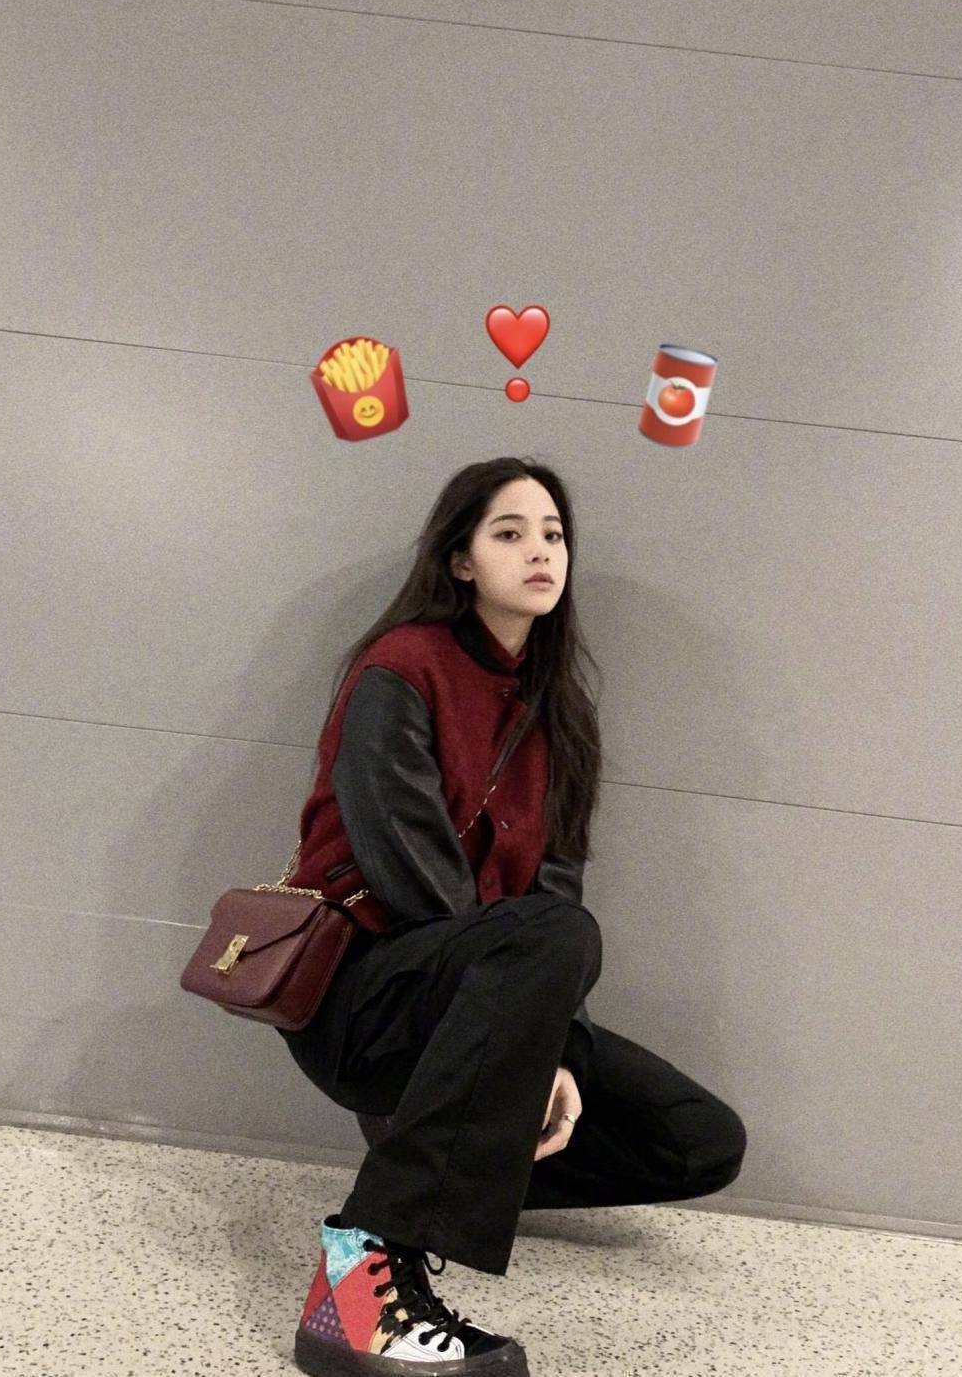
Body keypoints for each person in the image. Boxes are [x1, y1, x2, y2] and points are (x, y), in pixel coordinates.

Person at [276, 456, 747, 1375]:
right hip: (364, 998)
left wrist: (557, 1051)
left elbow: (556, 890)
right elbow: (417, 888)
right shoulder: (400, 670)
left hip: (489, 999)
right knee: (551, 937)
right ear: (461, 560)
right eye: (510, 532)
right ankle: (357, 1291)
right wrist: (522, 1051)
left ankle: (443, 1161)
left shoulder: (558, 713)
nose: (540, 551)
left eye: (554, 534)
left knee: (698, 1140)